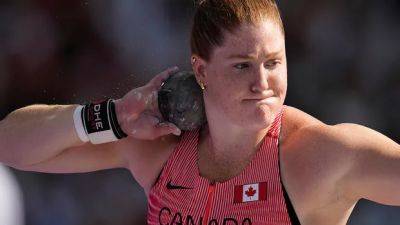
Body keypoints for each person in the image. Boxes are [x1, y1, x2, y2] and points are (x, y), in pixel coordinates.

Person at [0, 0, 399, 224]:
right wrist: (113, 117)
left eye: (273, 63)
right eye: (242, 65)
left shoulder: (317, 157)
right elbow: (10, 144)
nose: (262, 83)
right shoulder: (159, 149)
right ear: (202, 70)